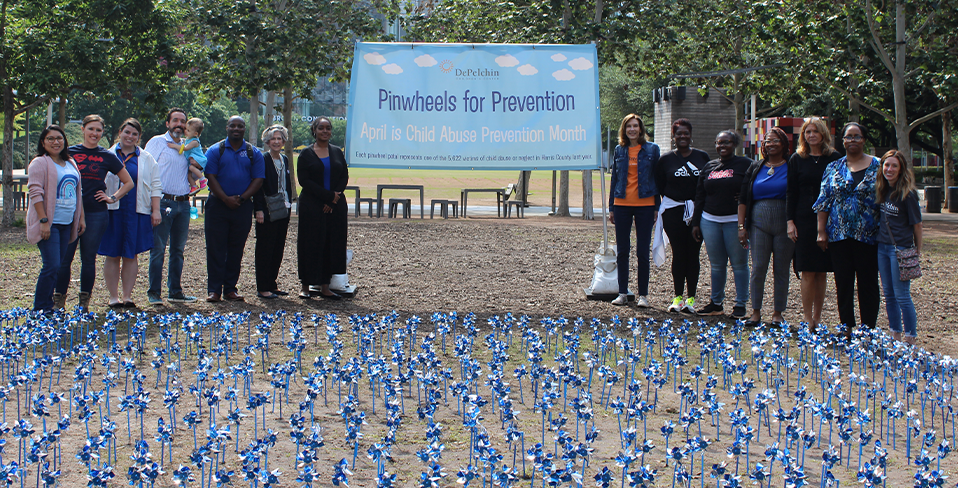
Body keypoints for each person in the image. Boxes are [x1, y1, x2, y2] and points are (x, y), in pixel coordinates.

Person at [55, 114, 134, 311]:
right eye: (91, 129)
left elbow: (129, 182)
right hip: (70, 212)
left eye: (98, 130)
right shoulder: (68, 153)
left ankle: (84, 303)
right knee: (65, 259)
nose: (95, 133)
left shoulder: (107, 156)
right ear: (83, 129)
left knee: (88, 259)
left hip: (96, 213)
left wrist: (112, 197)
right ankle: (59, 302)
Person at [812, 122, 881, 335]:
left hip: (868, 235)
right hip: (839, 234)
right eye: (848, 136)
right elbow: (824, 200)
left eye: (857, 136)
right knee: (843, 281)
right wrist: (821, 231)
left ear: (864, 140)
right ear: (842, 141)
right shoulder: (834, 167)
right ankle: (846, 326)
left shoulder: (878, 165)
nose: (852, 140)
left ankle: (868, 327)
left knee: (868, 281)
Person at [100, 119, 162, 308]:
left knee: (131, 254)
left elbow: (155, 185)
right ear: (120, 132)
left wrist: (156, 210)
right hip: (112, 211)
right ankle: (113, 297)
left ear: (139, 137)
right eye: (127, 132)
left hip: (137, 211)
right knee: (112, 254)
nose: (130, 137)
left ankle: (127, 296)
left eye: (134, 134)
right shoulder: (107, 155)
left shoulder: (146, 158)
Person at [202, 116, 265, 302]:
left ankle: (230, 288)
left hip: (242, 207)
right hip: (217, 206)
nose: (236, 129)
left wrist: (243, 198)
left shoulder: (254, 152)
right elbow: (210, 177)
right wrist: (225, 198)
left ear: (244, 129)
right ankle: (214, 290)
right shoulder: (215, 150)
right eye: (232, 125)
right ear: (227, 127)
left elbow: (258, 179)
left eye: (240, 126)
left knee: (236, 249)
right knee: (215, 248)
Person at [692, 130, 752, 318]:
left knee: (739, 264)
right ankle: (716, 303)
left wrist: (744, 199)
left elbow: (753, 189)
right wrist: (696, 223)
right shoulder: (709, 166)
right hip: (710, 221)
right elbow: (700, 195)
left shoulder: (745, 164)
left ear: (734, 144)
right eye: (719, 143)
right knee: (717, 265)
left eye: (726, 142)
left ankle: (740, 304)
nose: (722, 146)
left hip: (735, 221)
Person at [737, 127, 795, 327]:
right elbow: (743, 198)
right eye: (768, 141)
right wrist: (741, 226)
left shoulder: (791, 166)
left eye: (776, 141)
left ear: (784, 144)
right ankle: (755, 312)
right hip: (758, 221)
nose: (771, 144)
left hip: (784, 221)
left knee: (781, 268)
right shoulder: (755, 167)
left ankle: (778, 313)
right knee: (758, 267)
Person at [786, 117, 841, 326]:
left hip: (829, 219)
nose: (811, 135)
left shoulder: (834, 158)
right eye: (807, 132)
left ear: (823, 134)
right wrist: (790, 221)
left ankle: (818, 317)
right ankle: (807, 318)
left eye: (815, 132)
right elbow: (791, 192)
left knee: (822, 270)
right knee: (807, 270)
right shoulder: (797, 159)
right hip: (803, 219)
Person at [27, 126, 86, 312]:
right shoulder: (39, 163)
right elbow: (35, 193)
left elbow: (78, 192)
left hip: (67, 223)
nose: (55, 142)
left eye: (59, 138)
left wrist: (81, 218)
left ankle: (48, 306)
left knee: (58, 266)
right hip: (49, 224)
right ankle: (41, 309)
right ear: (43, 142)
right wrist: (43, 221)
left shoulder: (70, 162)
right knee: (51, 265)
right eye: (50, 139)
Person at [144, 108, 199, 305]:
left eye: (183, 121)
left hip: (183, 204)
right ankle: (154, 292)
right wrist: (153, 204)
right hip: (163, 202)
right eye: (175, 120)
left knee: (178, 250)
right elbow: (146, 171)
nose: (179, 124)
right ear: (167, 123)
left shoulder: (188, 145)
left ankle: (175, 292)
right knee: (158, 249)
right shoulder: (157, 142)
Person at [654, 118, 709, 313]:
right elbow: (660, 185)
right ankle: (677, 297)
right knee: (678, 254)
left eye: (686, 133)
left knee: (693, 255)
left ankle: (691, 300)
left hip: (697, 212)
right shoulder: (666, 160)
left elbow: (708, 184)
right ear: (673, 137)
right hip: (673, 212)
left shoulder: (703, 157)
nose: (683, 136)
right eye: (679, 134)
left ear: (691, 135)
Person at [608, 114, 660, 307]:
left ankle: (643, 296)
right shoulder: (619, 150)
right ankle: (622, 293)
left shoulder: (652, 149)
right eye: (628, 126)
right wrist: (612, 206)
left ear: (641, 129)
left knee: (642, 251)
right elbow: (614, 178)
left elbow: (657, 178)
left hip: (645, 205)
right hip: (622, 204)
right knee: (623, 250)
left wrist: (656, 206)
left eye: (635, 126)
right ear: (624, 129)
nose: (632, 129)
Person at [297, 117, 348, 300]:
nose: (325, 131)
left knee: (330, 244)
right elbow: (304, 181)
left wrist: (333, 199)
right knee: (309, 244)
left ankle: (325, 286)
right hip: (312, 206)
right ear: (314, 130)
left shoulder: (337, 152)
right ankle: (305, 285)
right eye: (321, 128)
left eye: (328, 128)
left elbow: (344, 176)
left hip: (335, 206)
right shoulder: (306, 154)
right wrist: (328, 197)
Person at [875, 149, 922, 344]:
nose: (890, 169)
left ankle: (910, 338)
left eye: (894, 165)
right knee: (889, 295)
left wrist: (917, 252)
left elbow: (917, 226)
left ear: (901, 168)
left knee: (902, 295)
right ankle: (895, 334)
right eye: (887, 165)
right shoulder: (883, 189)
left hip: (900, 250)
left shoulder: (908, 194)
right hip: (882, 248)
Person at [252, 125, 293, 299]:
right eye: (273, 139)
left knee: (278, 248)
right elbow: (258, 186)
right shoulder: (263, 159)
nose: (276, 142)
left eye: (279, 138)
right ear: (267, 141)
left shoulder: (285, 159)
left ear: (284, 141)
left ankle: (272, 283)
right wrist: (259, 209)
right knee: (265, 249)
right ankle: (262, 286)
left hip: (283, 209)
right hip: (267, 210)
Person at [167, 117, 208, 195]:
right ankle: (194, 186)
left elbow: (185, 148)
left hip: (198, 160)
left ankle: (203, 179)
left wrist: (174, 146)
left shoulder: (194, 141)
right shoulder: (188, 139)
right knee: (188, 174)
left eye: (188, 130)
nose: (185, 131)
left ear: (195, 133)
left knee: (191, 168)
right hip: (192, 160)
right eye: (185, 128)